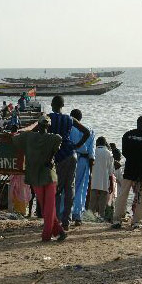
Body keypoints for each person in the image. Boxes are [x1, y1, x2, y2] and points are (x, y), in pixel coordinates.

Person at [13, 115, 65, 241]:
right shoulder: (52, 138)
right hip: (49, 175)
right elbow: (59, 138)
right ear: (48, 126)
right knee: (49, 207)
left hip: (35, 175)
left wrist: (25, 131)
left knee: (45, 206)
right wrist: (51, 156)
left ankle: (47, 235)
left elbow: (15, 139)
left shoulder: (29, 137)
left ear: (38, 125)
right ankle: (58, 232)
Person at [47, 96, 90, 230]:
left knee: (57, 188)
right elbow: (86, 132)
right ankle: (66, 220)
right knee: (69, 187)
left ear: (52, 104)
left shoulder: (49, 117)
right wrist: (77, 145)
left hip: (59, 155)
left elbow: (36, 130)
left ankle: (57, 219)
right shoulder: (70, 119)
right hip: (72, 154)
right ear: (63, 105)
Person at [112, 116, 142, 229]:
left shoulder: (127, 135)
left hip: (129, 169)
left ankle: (117, 220)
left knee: (122, 195)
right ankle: (136, 222)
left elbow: (124, 153)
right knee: (140, 197)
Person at [69, 109, 95, 225]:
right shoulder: (90, 130)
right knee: (81, 188)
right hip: (84, 160)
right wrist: (91, 170)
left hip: (70, 158)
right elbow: (91, 152)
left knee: (68, 186)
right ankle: (78, 215)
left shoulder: (69, 128)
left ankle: (67, 214)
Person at [89, 137, 114, 218]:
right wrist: (112, 184)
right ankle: (101, 216)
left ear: (97, 143)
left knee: (92, 200)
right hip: (105, 180)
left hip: (94, 179)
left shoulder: (93, 151)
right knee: (103, 200)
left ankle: (90, 216)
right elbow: (111, 171)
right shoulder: (109, 153)